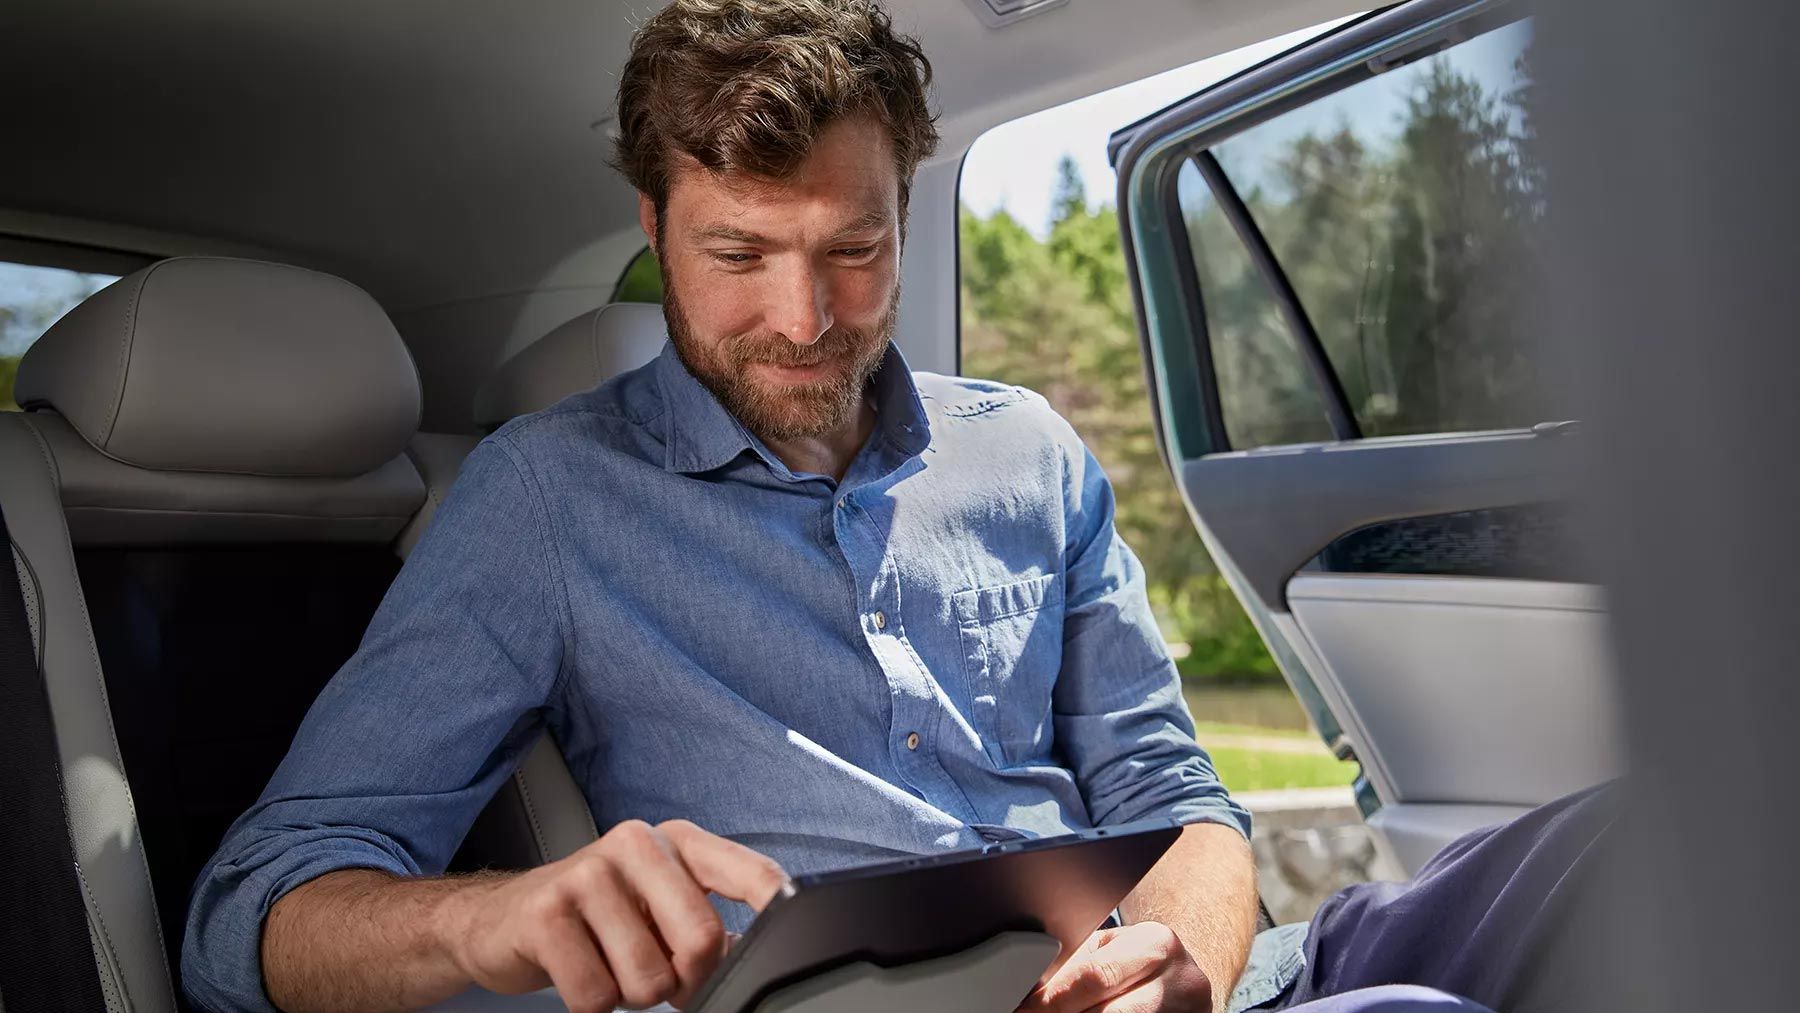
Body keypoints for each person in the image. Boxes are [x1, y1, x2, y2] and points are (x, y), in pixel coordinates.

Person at [180, 3, 1607, 1012]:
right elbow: (250, 916)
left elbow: (1187, 808)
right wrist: (495, 916)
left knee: (1639, 837)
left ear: (907, 208)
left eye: (853, 249)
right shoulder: (545, 498)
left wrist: (1182, 961)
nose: (804, 319)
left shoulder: (1029, 451)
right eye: (738, 252)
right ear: (655, 233)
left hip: (1214, 976)